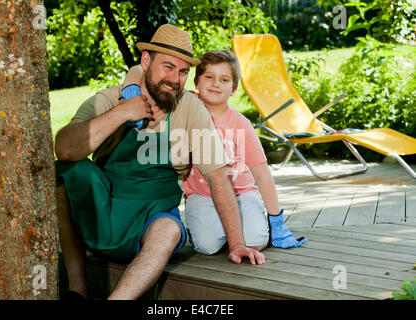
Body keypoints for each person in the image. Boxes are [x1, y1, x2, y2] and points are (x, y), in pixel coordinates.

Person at [54, 24, 265, 301]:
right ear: (145, 62)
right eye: (167, 67)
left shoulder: (190, 108)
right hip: (105, 211)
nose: (174, 79)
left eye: (182, 72)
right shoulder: (109, 99)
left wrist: (237, 243)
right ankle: (77, 291)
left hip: (152, 217)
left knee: (169, 229)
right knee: (66, 172)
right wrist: (122, 113)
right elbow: (65, 148)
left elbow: (217, 177)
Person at [124, 50, 307, 256]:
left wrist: (277, 220)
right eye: (209, 77)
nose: (215, 84)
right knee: (207, 246)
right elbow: (138, 69)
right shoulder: (183, 107)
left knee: (255, 241)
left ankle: (246, 227)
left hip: (241, 194)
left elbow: (262, 174)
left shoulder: (240, 124)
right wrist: (130, 91)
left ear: (234, 89)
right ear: (196, 82)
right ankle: (215, 230)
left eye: (224, 79)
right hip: (200, 195)